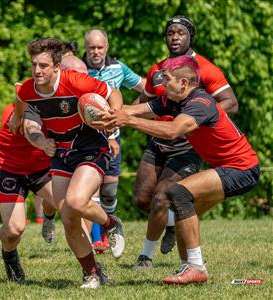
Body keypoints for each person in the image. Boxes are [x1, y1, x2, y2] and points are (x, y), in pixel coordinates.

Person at [99, 55, 259, 284]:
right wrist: (102, 112)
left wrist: (128, 121)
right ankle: (189, 268)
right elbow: (133, 109)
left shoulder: (200, 103)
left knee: (179, 192)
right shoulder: (171, 100)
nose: (162, 83)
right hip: (226, 167)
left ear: (183, 83)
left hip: (242, 168)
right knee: (185, 204)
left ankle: (195, 267)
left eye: (167, 78)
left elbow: (173, 130)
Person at [12, 38, 124, 289]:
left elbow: (113, 93)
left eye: (43, 65)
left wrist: (114, 118)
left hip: (90, 146)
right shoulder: (30, 88)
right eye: (34, 65)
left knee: (76, 201)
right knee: (69, 216)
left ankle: (110, 224)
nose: (37, 71)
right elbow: (20, 97)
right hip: (61, 151)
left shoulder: (75, 81)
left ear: (56, 67)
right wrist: (21, 121)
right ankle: (92, 274)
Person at [131, 16, 239, 268]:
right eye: (170, 33)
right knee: (141, 201)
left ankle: (145, 256)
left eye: (181, 32)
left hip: (187, 145)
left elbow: (230, 102)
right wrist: (118, 117)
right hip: (158, 142)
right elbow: (143, 105)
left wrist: (195, 122)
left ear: (190, 36)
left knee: (161, 197)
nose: (175, 37)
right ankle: (171, 223)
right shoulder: (157, 70)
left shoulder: (204, 68)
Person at [83, 29, 146, 252]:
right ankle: (95, 240)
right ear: (86, 48)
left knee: (109, 192)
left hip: (114, 139)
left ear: (107, 46)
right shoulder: (80, 70)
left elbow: (146, 87)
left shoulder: (118, 68)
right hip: (87, 140)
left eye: (100, 47)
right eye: (92, 48)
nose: (96, 52)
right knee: (91, 191)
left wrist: (131, 110)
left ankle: (110, 230)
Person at [0, 83, 57, 283]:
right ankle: (10, 256)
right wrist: (43, 142)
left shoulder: (62, 103)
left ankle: (49, 218)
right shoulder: (14, 110)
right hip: (9, 165)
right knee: (13, 231)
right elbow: (26, 129)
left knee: (68, 205)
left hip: (42, 165)